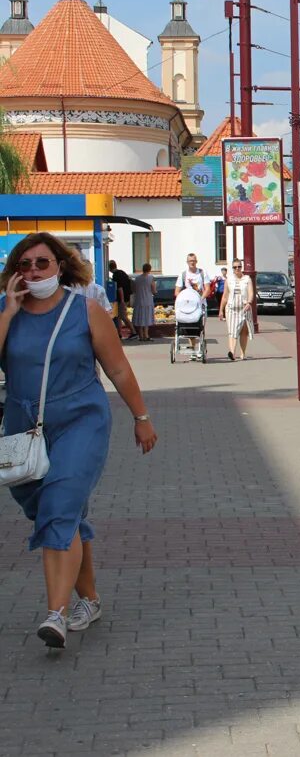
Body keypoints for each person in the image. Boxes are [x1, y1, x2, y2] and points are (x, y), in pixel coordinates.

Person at [0, 232, 157, 649]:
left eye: (42, 263)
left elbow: (118, 370)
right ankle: (89, 598)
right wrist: (9, 312)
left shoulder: (84, 310)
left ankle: (56, 614)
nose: (33, 271)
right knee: (59, 518)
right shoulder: (5, 311)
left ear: (60, 267)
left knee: (59, 505)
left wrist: (141, 417)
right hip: (24, 429)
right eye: (25, 264)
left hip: (80, 422)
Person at [220, 259, 254, 361]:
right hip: (231, 308)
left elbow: (251, 293)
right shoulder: (229, 279)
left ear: (241, 267)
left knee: (244, 331)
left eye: (239, 266)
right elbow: (225, 296)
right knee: (232, 331)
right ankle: (232, 353)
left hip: (244, 308)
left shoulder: (247, 279)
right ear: (232, 269)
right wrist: (221, 310)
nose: (237, 269)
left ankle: (243, 353)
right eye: (235, 267)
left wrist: (249, 302)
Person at [175, 253, 210, 354]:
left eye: (194, 261)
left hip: (201, 305)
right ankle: (192, 349)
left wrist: (200, 298)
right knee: (189, 329)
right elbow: (177, 291)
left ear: (196, 261)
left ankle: (200, 348)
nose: (192, 263)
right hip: (188, 306)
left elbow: (207, 289)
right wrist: (183, 299)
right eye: (190, 261)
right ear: (187, 262)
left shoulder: (202, 273)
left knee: (200, 327)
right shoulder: (183, 274)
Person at [131, 264, 156, 342]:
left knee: (140, 317)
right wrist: (154, 292)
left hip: (139, 300)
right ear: (150, 269)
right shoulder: (151, 278)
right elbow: (154, 290)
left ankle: (141, 335)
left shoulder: (137, 278)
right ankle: (146, 335)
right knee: (146, 317)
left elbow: (134, 290)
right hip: (148, 300)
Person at [108, 260, 133, 338]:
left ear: (109, 268)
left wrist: (122, 300)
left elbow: (120, 288)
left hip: (121, 299)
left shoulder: (116, 275)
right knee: (118, 316)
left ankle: (134, 332)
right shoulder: (122, 273)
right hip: (126, 297)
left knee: (123, 316)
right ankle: (119, 333)